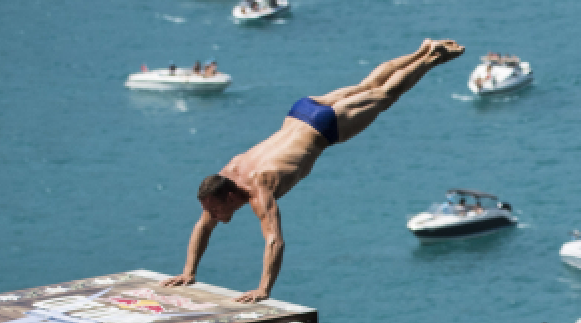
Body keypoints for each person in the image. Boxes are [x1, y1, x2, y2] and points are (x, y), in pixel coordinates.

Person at [167, 40, 466, 301]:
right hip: (301, 110)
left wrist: (263, 289)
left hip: (324, 127)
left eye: (216, 210)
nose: (213, 217)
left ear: (230, 195)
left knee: (385, 95)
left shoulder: (259, 187)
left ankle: (431, 59)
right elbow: (202, 227)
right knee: (366, 86)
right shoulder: (226, 176)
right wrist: (188, 272)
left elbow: (275, 241)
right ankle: (422, 49)